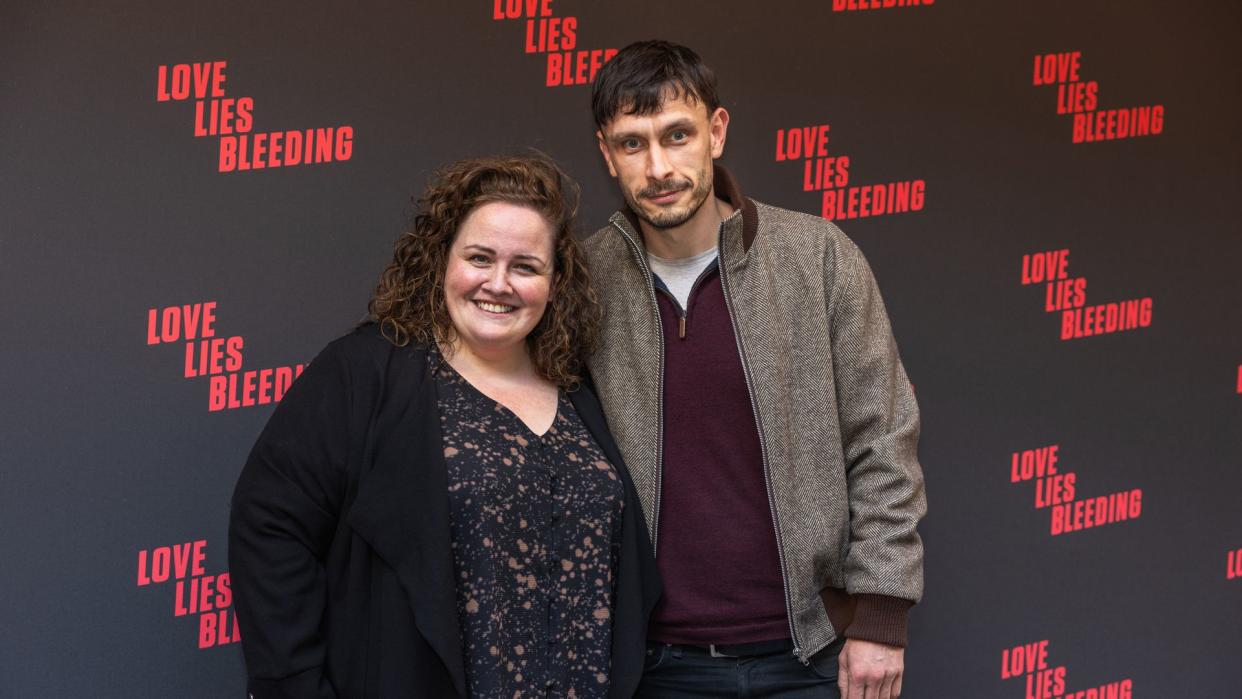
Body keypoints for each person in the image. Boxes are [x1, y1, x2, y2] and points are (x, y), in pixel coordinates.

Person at [229, 155, 661, 699]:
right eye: (479, 258)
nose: (498, 284)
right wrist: (293, 686)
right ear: (441, 261)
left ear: (555, 283)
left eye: (526, 266)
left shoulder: (578, 389)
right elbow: (269, 525)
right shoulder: (365, 373)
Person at [582, 41, 926, 699]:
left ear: (715, 132)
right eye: (633, 144)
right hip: (654, 666)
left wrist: (881, 614)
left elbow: (882, 440)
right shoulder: (585, 282)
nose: (658, 166)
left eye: (676, 135)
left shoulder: (818, 256)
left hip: (812, 657)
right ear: (607, 154)